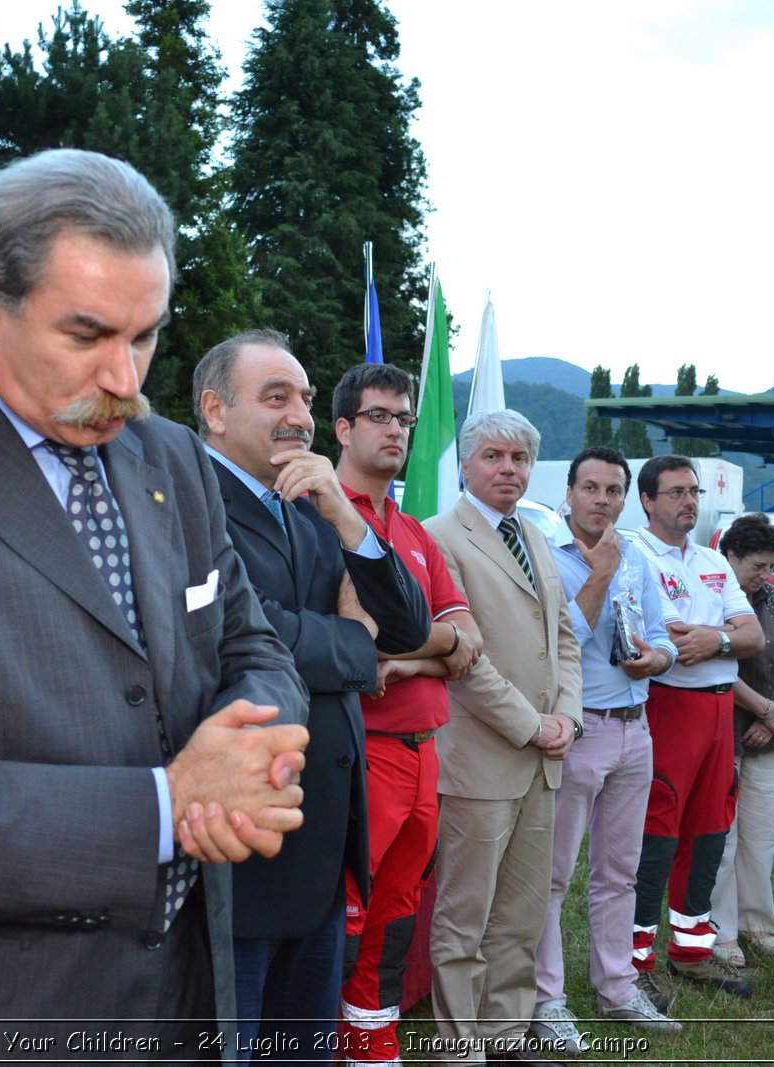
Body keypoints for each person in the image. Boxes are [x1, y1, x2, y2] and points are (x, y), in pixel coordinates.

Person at [0, 149, 311, 1059]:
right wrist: (169, 805)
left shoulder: (169, 459)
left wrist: (255, 748)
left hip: (191, 994)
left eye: (148, 334)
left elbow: (253, 641)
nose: (127, 377)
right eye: (88, 336)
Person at [192, 331, 430, 1054]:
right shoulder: (187, 503)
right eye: (276, 397)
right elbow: (247, 632)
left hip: (322, 836)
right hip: (241, 835)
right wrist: (356, 645)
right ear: (215, 410)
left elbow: (410, 623)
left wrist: (347, 517)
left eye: (303, 396)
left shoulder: (310, 506)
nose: (300, 414)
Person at [330, 363, 482, 1067]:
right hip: (365, 748)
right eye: (380, 416)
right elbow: (359, 637)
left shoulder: (414, 530)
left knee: (395, 916)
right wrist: (427, 639)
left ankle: (373, 1043)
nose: (396, 429)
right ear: (342, 427)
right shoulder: (322, 515)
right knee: (349, 914)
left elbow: (466, 642)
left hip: (425, 748)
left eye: (405, 419)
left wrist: (413, 654)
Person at [424, 410, 582, 1066]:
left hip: (544, 757)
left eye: (519, 458)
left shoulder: (536, 535)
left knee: (521, 914)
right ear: (465, 463)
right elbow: (462, 660)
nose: (508, 469)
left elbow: (565, 639)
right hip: (482, 758)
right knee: (465, 916)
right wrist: (531, 724)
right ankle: (460, 1049)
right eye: (493, 456)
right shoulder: (438, 537)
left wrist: (567, 718)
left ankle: (506, 1040)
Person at [531, 447, 683, 1053]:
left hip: (634, 726)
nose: (602, 500)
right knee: (552, 875)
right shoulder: (547, 555)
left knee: (620, 871)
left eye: (614, 490)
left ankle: (617, 988)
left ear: (627, 497)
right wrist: (600, 572)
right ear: (568, 493)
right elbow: (557, 637)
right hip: (577, 729)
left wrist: (660, 658)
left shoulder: (638, 556)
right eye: (590, 488)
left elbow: (664, 628)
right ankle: (548, 999)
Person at [630, 455, 762, 1003]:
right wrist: (720, 633)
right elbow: (664, 640)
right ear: (648, 501)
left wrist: (719, 639)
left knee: (709, 832)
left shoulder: (713, 559)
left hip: (718, 711)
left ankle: (690, 951)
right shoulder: (633, 553)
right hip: (668, 706)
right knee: (657, 834)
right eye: (677, 492)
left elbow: (753, 636)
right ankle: (633, 962)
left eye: (694, 491)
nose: (690, 501)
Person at [709, 513, 774, 966]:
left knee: (760, 835)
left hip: (767, 732)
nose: (766, 575)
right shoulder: (710, 597)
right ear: (731, 556)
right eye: (758, 566)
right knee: (722, 836)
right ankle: (720, 929)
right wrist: (763, 709)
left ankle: (758, 920)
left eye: (771, 567)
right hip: (722, 730)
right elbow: (718, 667)